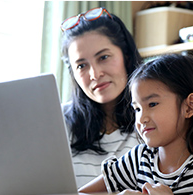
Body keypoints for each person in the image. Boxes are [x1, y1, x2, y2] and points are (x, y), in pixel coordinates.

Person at [79, 53, 193, 194]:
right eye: (137, 109)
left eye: (152, 104)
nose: (142, 118)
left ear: (189, 106)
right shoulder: (139, 160)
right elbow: (81, 193)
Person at [60, 7, 143, 188]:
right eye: (81, 66)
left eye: (103, 57)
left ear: (126, 57)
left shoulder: (153, 118)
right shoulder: (56, 123)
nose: (95, 74)